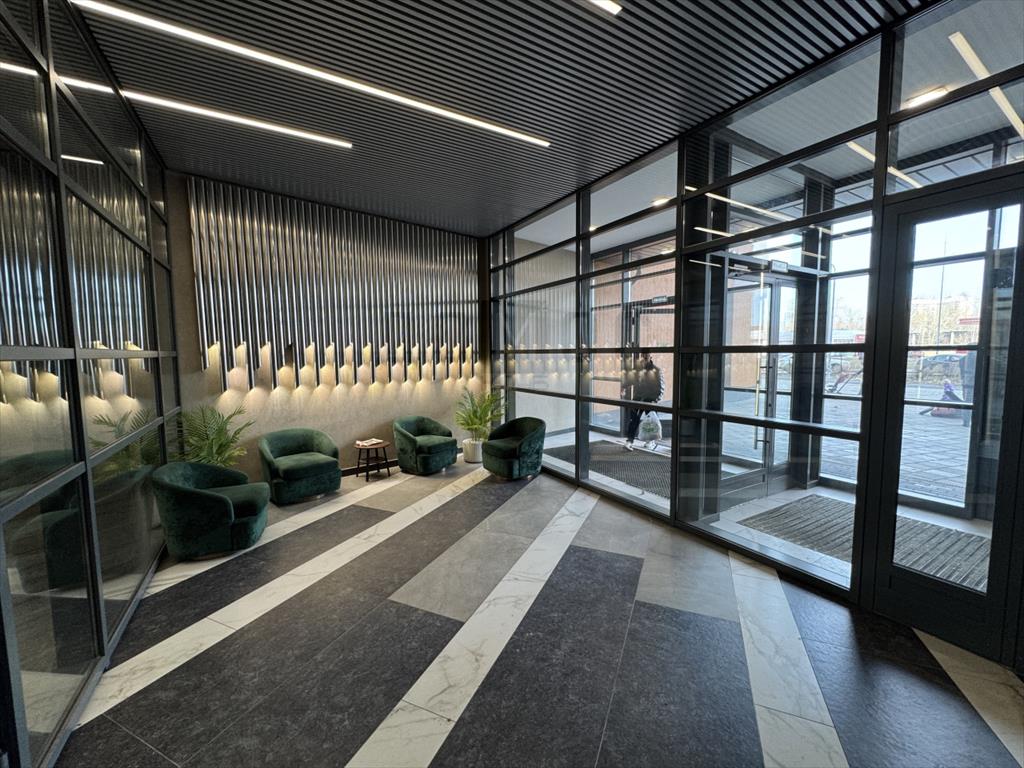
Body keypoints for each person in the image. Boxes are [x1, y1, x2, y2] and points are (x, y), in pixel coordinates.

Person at [621, 352, 664, 451]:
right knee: (633, 420)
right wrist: (624, 387)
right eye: (643, 356)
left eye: (646, 356)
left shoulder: (656, 370)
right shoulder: (638, 369)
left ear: (650, 357)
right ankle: (629, 441)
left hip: (650, 399)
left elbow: (661, 388)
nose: (644, 358)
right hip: (638, 398)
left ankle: (650, 441)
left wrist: (655, 400)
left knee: (651, 421)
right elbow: (631, 379)